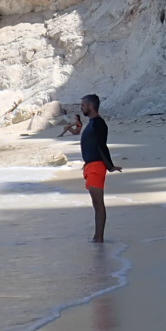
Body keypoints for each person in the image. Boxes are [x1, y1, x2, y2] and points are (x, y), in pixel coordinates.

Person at [64, 95, 120, 242]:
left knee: (98, 203)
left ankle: (99, 237)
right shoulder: (92, 123)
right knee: (96, 203)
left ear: (91, 106)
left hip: (96, 166)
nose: (81, 108)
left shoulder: (99, 124)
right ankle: (97, 236)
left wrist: (110, 166)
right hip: (91, 166)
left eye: (83, 105)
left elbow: (102, 145)